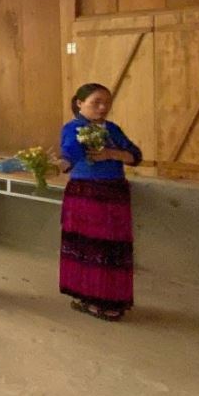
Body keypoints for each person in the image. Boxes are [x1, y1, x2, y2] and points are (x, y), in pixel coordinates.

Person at [59, 83, 143, 322]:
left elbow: (134, 156)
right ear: (80, 103)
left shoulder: (112, 129)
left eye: (106, 103)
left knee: (111, 247)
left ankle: (109, 298)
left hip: (114, 192)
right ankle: (89, 296)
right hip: (86, 193)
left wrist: (111, 154)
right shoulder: (73, 128)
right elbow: (70, 153)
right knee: (88, 246)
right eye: (96, 102)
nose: (103, 107)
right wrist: (56, 166)